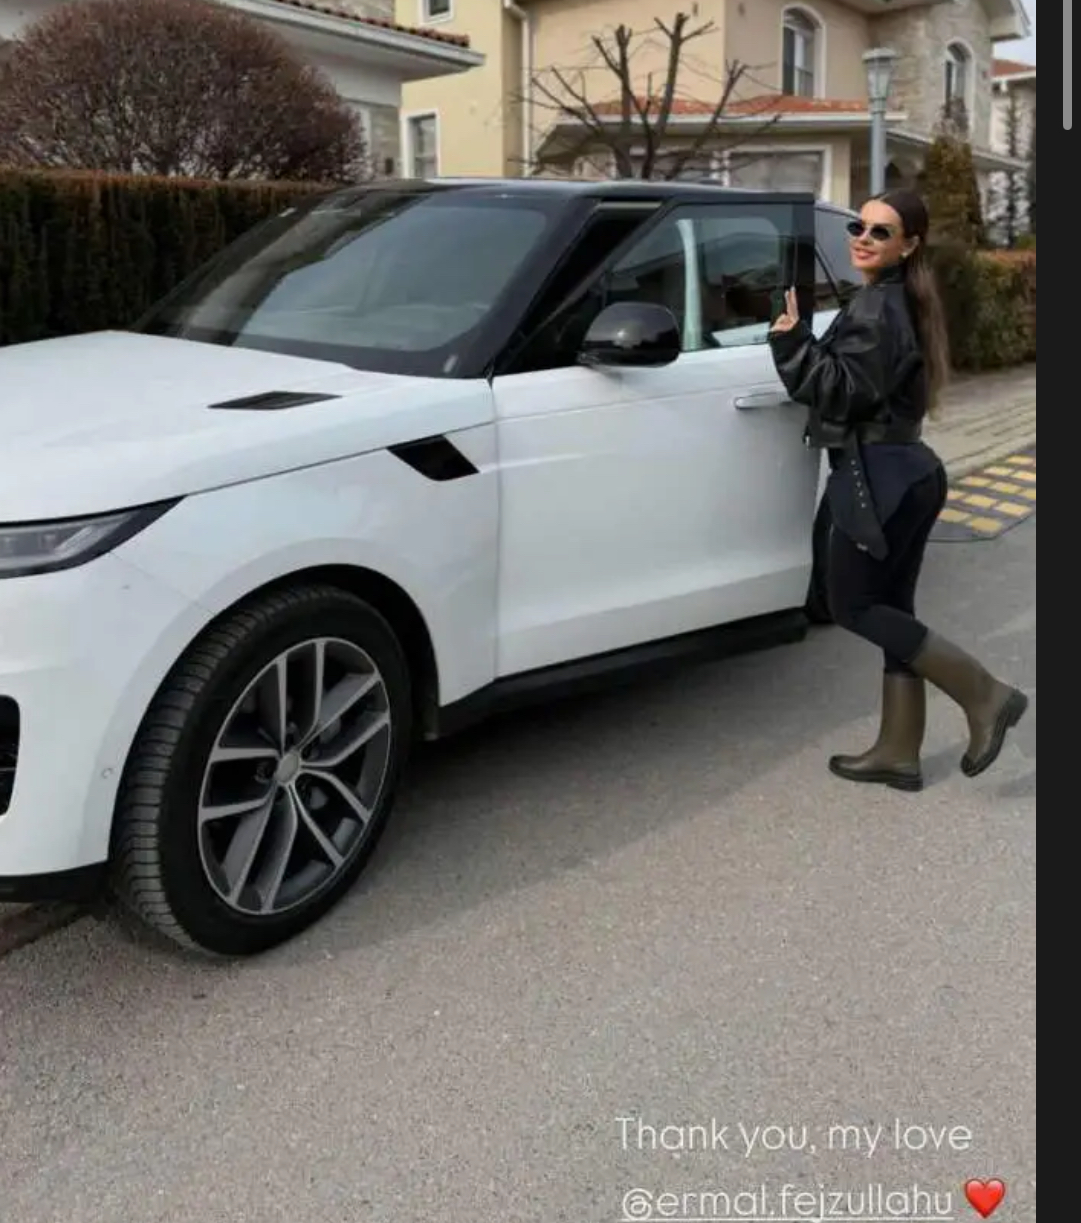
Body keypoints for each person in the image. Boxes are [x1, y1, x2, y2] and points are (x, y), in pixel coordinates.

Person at [767, 189, 1028, 790]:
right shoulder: (896, 299)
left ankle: (985, 695)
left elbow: (843, 391)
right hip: (907, 472)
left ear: (908, 246)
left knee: (850, 605)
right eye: (859, 226)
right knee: (894, 610)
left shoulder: (878, 308)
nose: (863, 237)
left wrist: (790, 342)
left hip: (877, 477)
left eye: (880, 232)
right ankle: (898, 750)